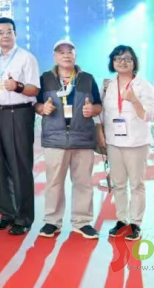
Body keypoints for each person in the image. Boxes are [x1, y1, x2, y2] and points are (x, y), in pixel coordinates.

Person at [35, 40, 102, 239]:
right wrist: (43, 108)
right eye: (61, 52)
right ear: (55, 57)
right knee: (54, 183)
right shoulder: (45, 78)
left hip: (82, 138)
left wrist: (92, 110)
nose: (66, 55)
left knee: (83, 183)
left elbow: (99, 106)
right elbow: (36, 104)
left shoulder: (87, 79)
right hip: (55, 139)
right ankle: (52, 222)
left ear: (75, 55)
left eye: (69, 52)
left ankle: (82, 222)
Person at [0, 17, 41, 235]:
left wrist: (17, 86)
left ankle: (24, 217)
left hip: (19, 114)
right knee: (0, 165)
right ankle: (7, 213)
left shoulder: (26, 58)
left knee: (20, 166)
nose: (5, 35)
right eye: (0, 32)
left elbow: (35, 89)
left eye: (9, 31)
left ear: (15, 34)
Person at [99, 45, 154, 242]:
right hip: (114, 141)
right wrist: (101, 136)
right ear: (112, 62)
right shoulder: (108, 85)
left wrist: (134, 100)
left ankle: (136, 223)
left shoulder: (143, 86)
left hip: (136, 142)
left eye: (127, 58)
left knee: (137, 184)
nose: (122, 62)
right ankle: (122, 219)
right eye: (118, 58)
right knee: (119, 184)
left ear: (134, 62)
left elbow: (148, 115)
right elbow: (102, 113)